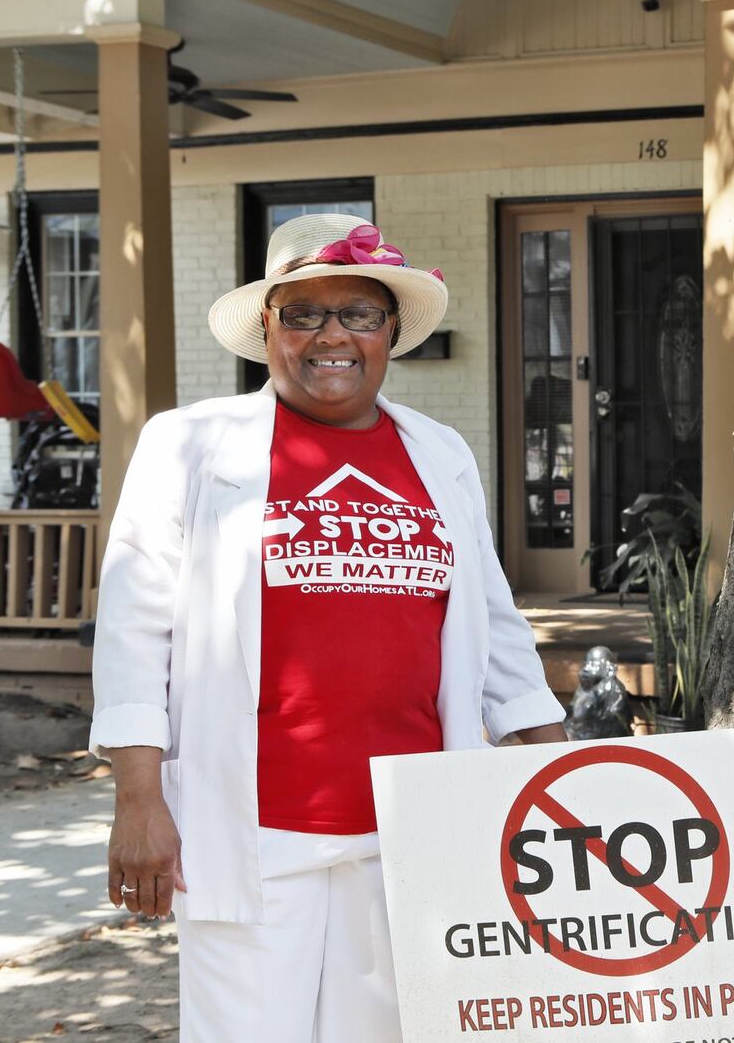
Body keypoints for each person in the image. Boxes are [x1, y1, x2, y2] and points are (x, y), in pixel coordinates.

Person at [88, 213, 568, 1041]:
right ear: (268, 326)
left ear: (390, 332)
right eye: (304, 313)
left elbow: (494, 627)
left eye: (358, 314)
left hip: (411, 824)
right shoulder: (190, 446)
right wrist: (138, 798)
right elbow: (135, 631)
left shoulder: (439, 451)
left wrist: (564, 775)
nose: (331, 336)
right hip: (255, 826)